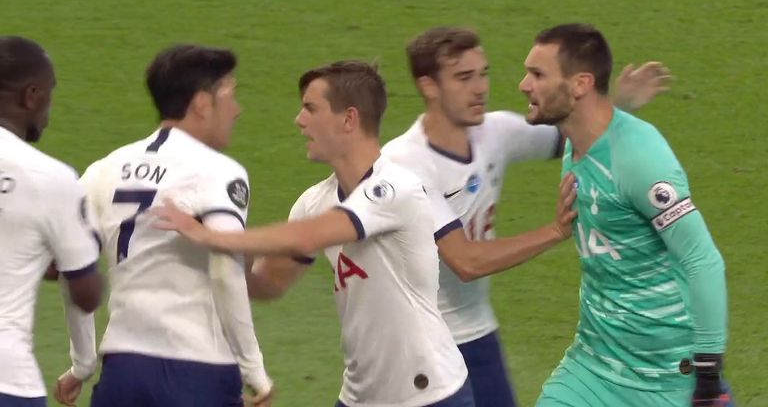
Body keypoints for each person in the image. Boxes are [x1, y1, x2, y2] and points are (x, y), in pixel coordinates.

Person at [151, 60, 523, 407]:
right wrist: (232, 257)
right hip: (359, 396)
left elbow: (309, 238)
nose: (299, 120)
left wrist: (211, 236)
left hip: (430, 395)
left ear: (348, 120)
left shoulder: (396, 187)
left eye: (311, 109)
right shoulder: (314, 201)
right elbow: (269, 284)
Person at [380, 26, 671, 407]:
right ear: (429, 87)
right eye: (464, 78)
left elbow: (577, 134)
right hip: (418, 346)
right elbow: (465, 261)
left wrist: (617, 106)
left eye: (483, 73)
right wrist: (554, 231)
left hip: (478, 334)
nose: (480, 88)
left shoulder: (495, 131)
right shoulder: (405, 163)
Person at [519, 23, 730, 407]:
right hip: (592, 365)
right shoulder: (579, 141)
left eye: (537, 74)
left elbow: (702, 259)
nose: (523, 84)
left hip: (664, 377)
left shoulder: (642, 159)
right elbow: (604, 134)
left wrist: (709, 375)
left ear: (580, 84)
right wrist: (619, 103)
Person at [55, 44, 272, 407]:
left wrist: (82, 362)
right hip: (198, 372)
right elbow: (225, 268)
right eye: (231, 96)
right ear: (203, 103)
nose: (237, 110)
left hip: (122, 372)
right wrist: (254, 370)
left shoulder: (101, 171)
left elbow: (71, 269)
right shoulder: (218, 170)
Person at [0, 36, 103, 407]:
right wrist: (83, 247)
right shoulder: (51, 178)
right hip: (7, 379)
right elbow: (86, 294)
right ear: (31, 95)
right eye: (48, 95)